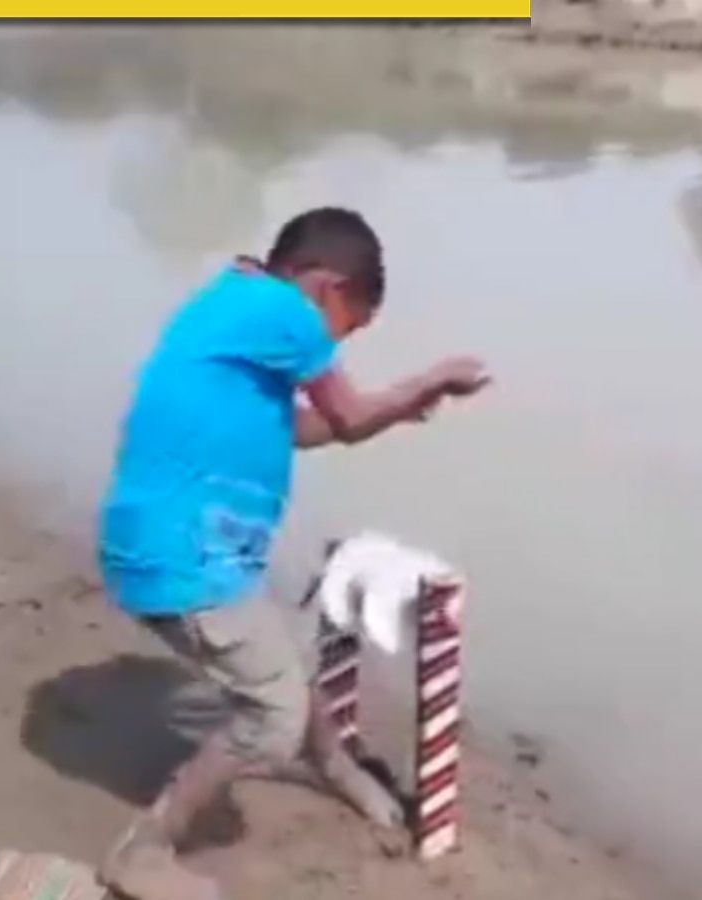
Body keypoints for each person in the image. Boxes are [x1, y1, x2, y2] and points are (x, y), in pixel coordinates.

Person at [96, 207, 490, 900]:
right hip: (184, 554)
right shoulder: (284, 312)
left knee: (283, 662)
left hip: (191, 542)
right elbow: (348, 416)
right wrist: (429, 383)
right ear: (326, 288)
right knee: (272, 715)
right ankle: (145, 849)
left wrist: (392, 408)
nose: (337, 343)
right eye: (350, 325)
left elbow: (302, 430)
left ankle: (336, 767)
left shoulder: (244, 303)